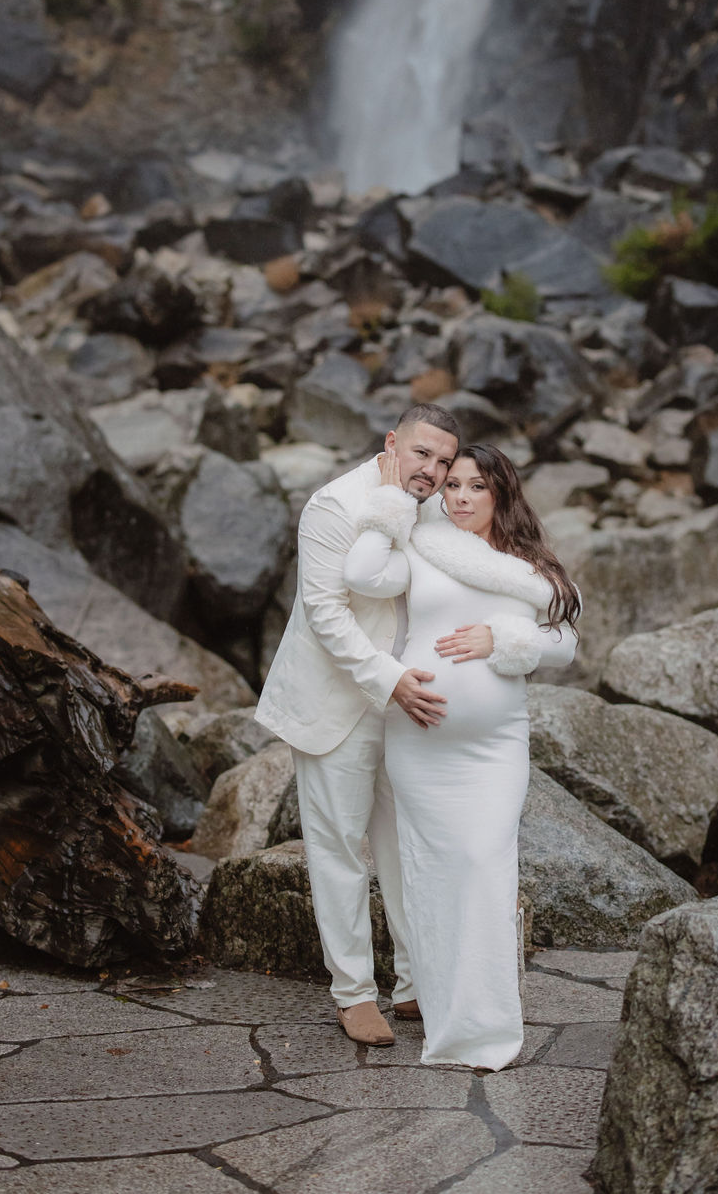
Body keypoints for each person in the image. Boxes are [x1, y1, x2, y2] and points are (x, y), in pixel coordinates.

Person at [343, 442, 581, 1070]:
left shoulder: (527, 566)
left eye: (478, 487)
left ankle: (487, 1030)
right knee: (432, 875)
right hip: (421, 746)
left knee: (484, 868)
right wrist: (394, 502)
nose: (463, 498)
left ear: (500, 493)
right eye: (454, 486)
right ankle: (447, 1022)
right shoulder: (422, 547)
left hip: (495, 747)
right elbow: (363, 576)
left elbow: (566, 642)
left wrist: (504, 637)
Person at [255, 403, 461, 1047]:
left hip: (407, 704)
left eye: (445, 460)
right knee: (340, 849)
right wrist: (389, 680)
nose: (432, 469)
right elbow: (324, 612)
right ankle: (353, 993)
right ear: (392, 442)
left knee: (406, 846)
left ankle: (413, 984)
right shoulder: (333, 506)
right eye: (422, 453)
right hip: (338, 700)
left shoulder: (431, 504)